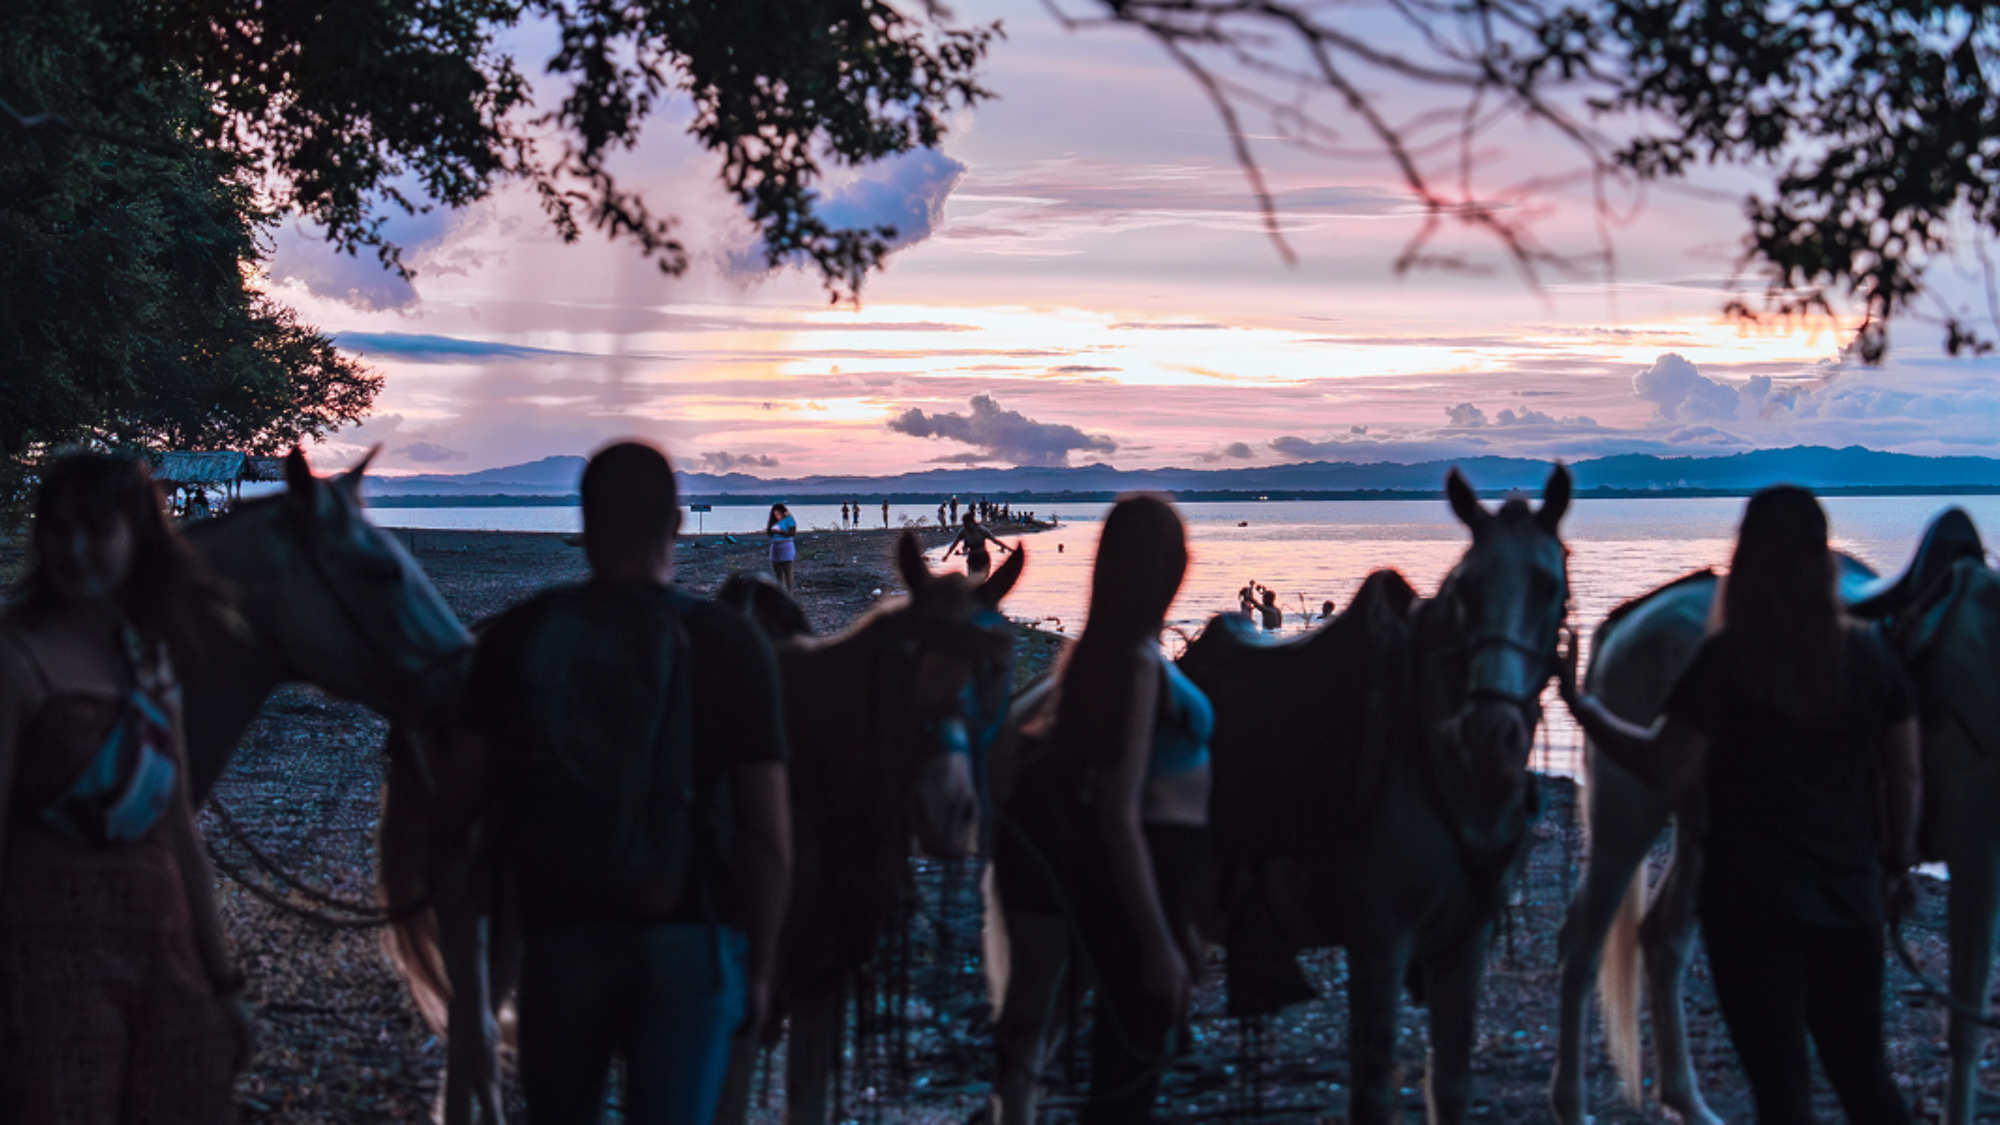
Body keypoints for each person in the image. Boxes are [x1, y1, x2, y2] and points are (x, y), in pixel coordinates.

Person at [451, 441, 793, 1125]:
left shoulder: (519, 637)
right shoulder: (731, 642)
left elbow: (456, 815)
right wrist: (760, 968)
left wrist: (483, 972)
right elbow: (767, 837)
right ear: (675, 522)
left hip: (560, 941)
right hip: (692, 942)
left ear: (583, 522)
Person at [1558, 486, 1918, 1125]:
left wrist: (1583, 706)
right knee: (1865, 1076)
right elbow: (1904, 776)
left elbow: (1662, 762)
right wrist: (1895, 866)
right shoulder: (1870, 657)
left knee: (1781, 1091)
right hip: (1848, 904)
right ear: (1824, 555)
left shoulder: (1726, 660)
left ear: (1747, 557)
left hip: (1751, 911)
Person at [0, 453, 248, 1123]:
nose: (71, 548)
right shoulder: (16, 660)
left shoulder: (152, 664)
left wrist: (222, 981)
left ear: (135, 535)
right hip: (44, 960)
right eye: (55, 528)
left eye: (94, 527)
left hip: (157, 949)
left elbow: (180, 834)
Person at [995, 494, 1210, 1124]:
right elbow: (1118, 808)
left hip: (1150, 874)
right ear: (1162, 568)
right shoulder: (1138, 666)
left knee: (1120, 1061)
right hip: (1150, 873)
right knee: (1126, 1075)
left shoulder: (1100, 655)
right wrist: (1158, 941)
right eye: (1179, 551)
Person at [942, 511, 1014, 581]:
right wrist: (947, 555)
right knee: (972, 580)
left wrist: (1009, 549)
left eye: (965, 522)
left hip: (983, 557)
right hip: (973, 558)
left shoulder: (981, 530)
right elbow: (954, 544)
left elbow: (995, 541)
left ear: (971, 521)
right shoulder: (963, 532)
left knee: (983, 579)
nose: (964, 524)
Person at [766, 502, 797, 592]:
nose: (777, 516)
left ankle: (789, 591)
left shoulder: (789, 519)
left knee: (787, 570)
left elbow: (792, 533)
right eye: (775, 514)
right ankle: (780, 591)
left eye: (778, 514)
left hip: (786, 546)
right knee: (778, 571)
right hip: (775, 546)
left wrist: (780, 532)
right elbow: (769, 533)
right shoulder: (773, 522)